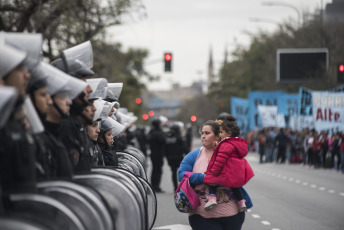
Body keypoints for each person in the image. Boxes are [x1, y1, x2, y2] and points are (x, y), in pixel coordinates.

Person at [178, 120, 252, 230]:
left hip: (232, 215)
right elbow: (181, 175)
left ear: (218, 136)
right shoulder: (194, 155)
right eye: (202, 133)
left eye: (207, 133)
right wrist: (204, 178)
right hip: (201, 216)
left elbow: (241, 175)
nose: (203, 136)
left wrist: (221, 178)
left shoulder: (229, 152)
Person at [203, 116, 254, 212]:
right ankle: (241, 202)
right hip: (236, 172)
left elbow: (220, 159)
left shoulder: (225, 145)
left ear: (229, 133)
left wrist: (214, 171)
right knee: (235, 186)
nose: (219, 135)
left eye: (221, 132)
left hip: (225, 171)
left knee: (211, 181)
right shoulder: (236, 143)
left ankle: (212, 199)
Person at [165, 124, 187, 191]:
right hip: (179, 157)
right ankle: (182, 187)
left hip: (170, 158)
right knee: (182, 172)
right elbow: (184, 147)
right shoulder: (180, 137)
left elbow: (165, 149)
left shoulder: (168, 137)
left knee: (173, 172)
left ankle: (175, 187)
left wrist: (167, 157)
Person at [148, 118, 166, 193]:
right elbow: (163, 140)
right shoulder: (158, 133)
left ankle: (154, 185)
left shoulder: (151, 132)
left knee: (154, 170)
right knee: (158, 171)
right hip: (158, 154)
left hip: (153, 154)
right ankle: (156, 186)